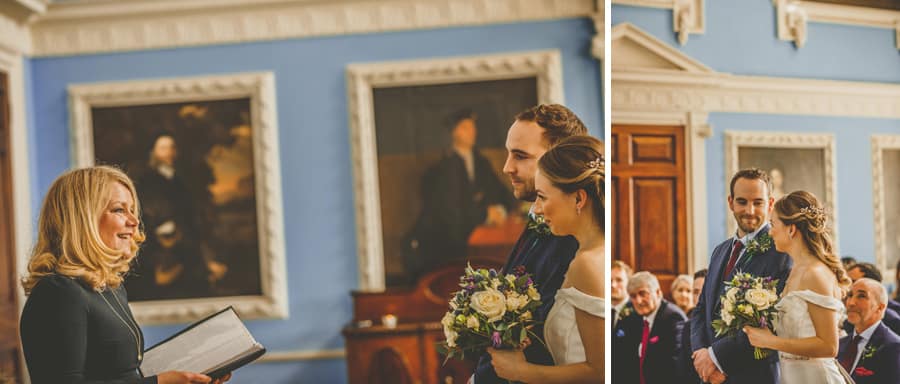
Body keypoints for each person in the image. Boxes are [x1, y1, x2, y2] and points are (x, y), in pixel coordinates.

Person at [19, 166, 231, 384]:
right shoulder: (57, 292)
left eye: (132, 210)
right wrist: (160, 383)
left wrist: (189, 377)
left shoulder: (110, 287)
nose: (134, 221)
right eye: (120, 210)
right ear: (84, 219)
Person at [471, 104, 587, 384]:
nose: (506, 167)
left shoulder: (575, 243)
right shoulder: (537, 221)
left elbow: (541, 340)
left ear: (560, 160)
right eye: (509, 153)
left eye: (520, 156)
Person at [487, 135, 603, 382]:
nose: (537, 209)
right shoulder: (590, 256)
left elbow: (600, 372)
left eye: (543, 197)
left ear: (578, 199)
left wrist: (520, 371)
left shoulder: (587, 264)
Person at [691, 168, 792, 384]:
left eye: (758, 202)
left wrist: (718, 359)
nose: (750, 210)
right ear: (730, 202)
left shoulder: (781, 252)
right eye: (742, 201)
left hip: (754, 375)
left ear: (770, 203)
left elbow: (773, 322)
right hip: (708, 373)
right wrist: (702, 354)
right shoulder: (720, 250)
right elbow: (702, 308)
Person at [743, 190, 851, 383]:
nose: (770, 231)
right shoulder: (795, 270)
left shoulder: (815, 274)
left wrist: (771, 342)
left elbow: (829, 346)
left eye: (773, 224)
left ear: (791, 229)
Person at [405, 109, 516, 281]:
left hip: (481, 236)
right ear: (454, 132)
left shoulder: (481, 163)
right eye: (465, 127)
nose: (473, 132)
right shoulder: (442, 169)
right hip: (450, 242)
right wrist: (485, 214)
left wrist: (500, 210)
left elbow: (505, 195)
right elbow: (451, 213)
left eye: (473, 127)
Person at [612, 271, 685, 384]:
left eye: (643, 294)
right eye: (633, 296)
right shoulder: (635, 318)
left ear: (658, 293)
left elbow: (675, 365)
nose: (638, 301)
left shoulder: (673, 318)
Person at [837, 278, 900, 383]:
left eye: (862, 296)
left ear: (880, 307)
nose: (851, 303)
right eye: (850, 295)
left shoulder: (893, 347)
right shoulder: (841, 344)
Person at [677, 269, 707, 384]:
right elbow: (683, 371)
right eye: (695, 292)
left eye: (703, 291)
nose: (699, 297)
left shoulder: (727, 324)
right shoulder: (688, 327)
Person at [611, 260, 634, 329]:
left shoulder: (637, 311)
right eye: (609, 280)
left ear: (629, 283)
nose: (613, 285)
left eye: (619, 280)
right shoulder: (600, 308)